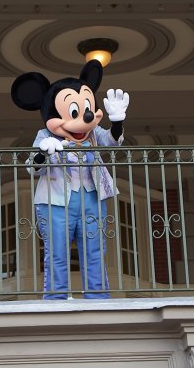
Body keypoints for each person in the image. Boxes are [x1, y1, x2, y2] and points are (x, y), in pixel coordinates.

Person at [10, 60, 129, 299]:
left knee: (95, 250)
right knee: (57, 251)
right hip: (55, 201)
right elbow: (32, 169)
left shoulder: (93, 133)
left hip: (92, 197)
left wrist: (117, 123)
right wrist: (44, 152)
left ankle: (98, 298)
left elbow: (112, 141)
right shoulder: (44, 135)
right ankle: (55, 299)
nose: (83, 119)